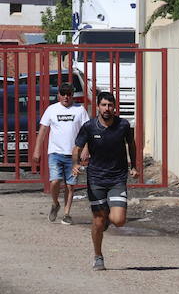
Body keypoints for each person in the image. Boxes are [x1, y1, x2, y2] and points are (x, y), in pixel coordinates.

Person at [73, 91, 138, 271]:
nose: (107, 109)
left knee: (118, 220)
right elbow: (77, 147)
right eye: (103, 105)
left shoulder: (123, 125)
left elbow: (131, 145)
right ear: (98, 107)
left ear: (114, 107)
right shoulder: (89, 127)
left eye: (110, 105)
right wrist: (76, 164)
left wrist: (134, 166)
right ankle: (98, 256)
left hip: (117, 178)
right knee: (99, 222)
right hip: (96, 179)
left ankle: (109, 215)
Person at [33, 83, 90, 223]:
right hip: (55, 152)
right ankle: (55, 203)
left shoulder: (80, 110)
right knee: (55, 181)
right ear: (58, 95)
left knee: (71, 185)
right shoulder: (51, 110)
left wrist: (86, 150)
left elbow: (88, 131)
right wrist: (36, 150)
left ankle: (66, 214)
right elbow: (43, 131)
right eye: (63, 94)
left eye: (69, 94)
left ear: (72, 95)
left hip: (74, 154)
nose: (66, 96)